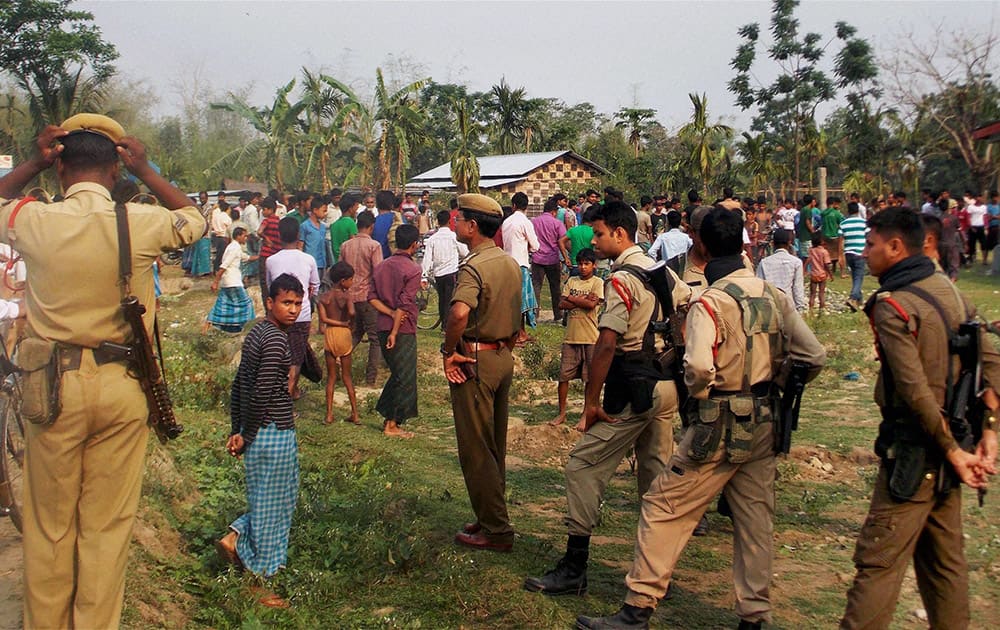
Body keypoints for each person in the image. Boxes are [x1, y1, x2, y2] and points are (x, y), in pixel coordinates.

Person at [0, 115, 205, 628]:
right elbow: (194, 219)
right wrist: (149, 171)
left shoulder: (35, 220)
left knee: (49, 527)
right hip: (123, 385)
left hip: (52, 387)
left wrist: (32, 161)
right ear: (116, 168)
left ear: (60, 167)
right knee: (106, 528)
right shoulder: (141, 223)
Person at [577, 207, 825, 630]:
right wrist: (773, 380)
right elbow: (813, 356)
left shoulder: (711, 301)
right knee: (755, 520)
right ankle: (754, 615)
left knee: (662, 506)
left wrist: (704, 396)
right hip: (765, 420)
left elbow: (698, 368)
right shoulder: (772, 295)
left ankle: (638, 606)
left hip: (718, 422)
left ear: (701, 247)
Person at [840, 207, 1000, 629]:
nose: (864, 251)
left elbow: (913, 392)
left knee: (878, 564)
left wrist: (950, 450)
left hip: (916, 453)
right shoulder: (946, 288)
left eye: (870, 244)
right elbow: (991, 359)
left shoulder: (894, 305)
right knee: (945, 566)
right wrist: (987, 432)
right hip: (952, 452)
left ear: (895, 247)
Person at [525, 201, 692, 598]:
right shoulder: (659, 269)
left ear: (619, 232)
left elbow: (606, 343)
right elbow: (687, 304)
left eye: (599, 234)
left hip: (633, 386)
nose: (594, 241)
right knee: (654, 480)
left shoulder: (621, 279)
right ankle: (657, 573)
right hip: (666, 384)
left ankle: (574, 566)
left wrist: (591, 401)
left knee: (583, 466)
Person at [216, 273, 304, 609]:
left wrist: (237, 430)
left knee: (271, 500)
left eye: (297, 303)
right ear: (269, 302)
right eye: (286, 302)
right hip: (273, 433)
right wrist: (247, 434)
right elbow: (263, 391)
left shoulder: (257, 334)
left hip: (258, 432)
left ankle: (235, 537)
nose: (293, 309)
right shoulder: (276, 341)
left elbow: (239, 386)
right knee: (276, 508)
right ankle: (260, 581)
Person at [442, 193, 521, 552]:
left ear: (472, 227)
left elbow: (460, 313)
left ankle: (497, 529)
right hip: (502, 356)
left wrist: (448, 352)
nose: (455, 224)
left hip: (476, 360)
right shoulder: (507, 262)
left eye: (459, 220)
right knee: (494, 444)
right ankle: (489, 514)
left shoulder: (473, 266)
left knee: (476, 449)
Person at [369, 224, 422, 438]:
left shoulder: (381, 266)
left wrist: (390, 316)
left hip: (382, 325)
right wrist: (395, 328)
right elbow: (404, 302)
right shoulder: (413, 270)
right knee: (404, 376)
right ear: (414, 244)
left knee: (399, 374)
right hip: (402, 329)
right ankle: (392, 424)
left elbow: (371, 297)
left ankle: (388, 415)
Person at [266, 216, 320, 399]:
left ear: (279, 235)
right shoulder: (308, 259)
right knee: (295, 359)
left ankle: (290, 392)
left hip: (278, 315)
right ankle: (287, 397)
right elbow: (315, 285)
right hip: (301, 314)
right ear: (298, 234)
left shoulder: (271, 261)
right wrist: (303, 302)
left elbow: (269, 288)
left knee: (279, 355)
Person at [550, 248, 603, 427]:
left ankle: (585, 414)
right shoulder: (571, 280)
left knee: (589, 379)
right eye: (580, 263)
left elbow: (591, 305)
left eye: (586, 264)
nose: (582, 267)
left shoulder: (598, 283)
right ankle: (562, 413)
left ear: (594, 265)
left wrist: (573, 298)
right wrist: (582, 299)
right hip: (571, 338)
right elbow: (561, 303)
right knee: (563, 377)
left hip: (590, 338)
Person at [341, 210, 383, 385]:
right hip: (367, 296)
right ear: (371, 227)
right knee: (375, 338)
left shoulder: (345, 246)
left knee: (356, 332)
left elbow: (340, 271)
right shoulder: (374, 246)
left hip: (349, 296)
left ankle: (339, 362)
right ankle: (370, 378)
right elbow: (378, 272)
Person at [317, 262, 359, 426]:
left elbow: (324, 319)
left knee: (331, 377)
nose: (351, 283)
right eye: (350, 279)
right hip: (344, 334)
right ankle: (355, 414)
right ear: (343, 281)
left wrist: (337, 324)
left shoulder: (323, 297)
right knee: (347, 377)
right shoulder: (347, 296)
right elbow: (352, 312)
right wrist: (349, 323)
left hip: (331, 334)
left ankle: (328, 414)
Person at [204, 226, 259, 333]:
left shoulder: (234, 247)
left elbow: (246, 258)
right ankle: (250, 329)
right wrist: (215, 282)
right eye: (244, 236)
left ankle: (208, 325)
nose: (246, 238)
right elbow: (224, 266)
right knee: (247, 304)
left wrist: (261, 256)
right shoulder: (234, 248)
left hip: (227, 282)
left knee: (221, 305)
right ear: (238, 236)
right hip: (233, 281)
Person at [421, 209, 469, 328]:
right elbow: (464, 252)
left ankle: (444, 323)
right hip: (451, 272)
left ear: (438, 221)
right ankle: (446, 325)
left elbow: (427, 259)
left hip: (438, 274)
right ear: (449, 221)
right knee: (450, 299)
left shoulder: (433, 239)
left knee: (442, 299)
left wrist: (424, 275)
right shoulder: (454, 237)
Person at [502, 192, 540, 341]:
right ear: (526, 206)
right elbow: (536, 246)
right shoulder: (525, 222)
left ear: (513, 206)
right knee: (522, 302)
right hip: (521, 265)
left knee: (511, 301)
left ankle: (516, 332)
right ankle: (520, 334)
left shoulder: (506, 222)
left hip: (507, 264)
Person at [531, 196, 567, 322]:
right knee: (555, 288)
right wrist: (566, 257)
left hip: (537, 258)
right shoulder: (557, 223)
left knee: (536, 287)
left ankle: (534, 315)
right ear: (554, 212)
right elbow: (563, 241)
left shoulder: (534, 222)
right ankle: (558, 314)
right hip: (552, 258)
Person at [756, 229, 806, 312]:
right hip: (788, 307)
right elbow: (797, 288)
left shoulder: (764, 262)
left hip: (770, 307)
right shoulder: (796, 262)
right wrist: (800, 308)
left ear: (773, 243)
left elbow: (759, 288)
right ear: (789, 243)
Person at [840, 202, 868, 311]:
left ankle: (859, 299)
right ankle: (852, 297)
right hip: (860, 252)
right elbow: (868, 237)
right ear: (858, 211)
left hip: (848, 253)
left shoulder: (844, 223)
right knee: (859, 276)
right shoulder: (864, 223)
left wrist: (840, 254)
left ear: (848, 211)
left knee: (855, 276)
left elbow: (840, 240)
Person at [299, 195, 330, 276]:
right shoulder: (305, 226)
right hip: (309, 263)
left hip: (322, 263)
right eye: (324, 211)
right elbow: (300, 246)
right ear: (315, 210)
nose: (325, 213)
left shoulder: (323, 227)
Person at [373, 189, 403, 259]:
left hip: (377, 260)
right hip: (396, 260)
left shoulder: (372, 222)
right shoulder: (399, 218)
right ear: (392, 205)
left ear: (376, 204)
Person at [329, 193, 359, 263]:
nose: (356, 210)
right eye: (355, 207)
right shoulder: (351, 223)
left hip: (337, 261)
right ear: (350, 209)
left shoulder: (334, 224)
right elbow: (353, 244)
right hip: (348, 261)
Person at [807, 232, 832, 312]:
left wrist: (804, 269)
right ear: (821, 241)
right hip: (822, 275)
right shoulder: (824, 252)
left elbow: (808, 260)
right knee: (821, 293)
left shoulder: (811, 250)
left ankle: (810, 310)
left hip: (813, 275)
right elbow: (826, 264)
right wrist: (830, 274)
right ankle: (821, 310)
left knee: (812, 294)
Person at [210, 196, 233, 272]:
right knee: (224, 255)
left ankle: (216, 269)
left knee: (219, 254)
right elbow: (230, 228)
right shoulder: (226, 217)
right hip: (224, 237)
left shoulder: (216, 216)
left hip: (217, 236)